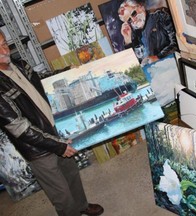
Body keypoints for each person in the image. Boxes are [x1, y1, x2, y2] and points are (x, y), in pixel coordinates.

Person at [0, 31, 104, 216]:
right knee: (61, 195)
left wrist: (66, 72)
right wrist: (57, 145)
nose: (4, 50)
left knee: (72, 175)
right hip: (39, 149)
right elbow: (20, 128)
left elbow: (44, 80)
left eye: (4, 43)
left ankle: (82, 205)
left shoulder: (19, 64)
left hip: (57, 133)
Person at [118, 0, 178, 66]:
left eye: (133, 13)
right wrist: (127, 40)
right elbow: (134, 64)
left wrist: (158, 57)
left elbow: (177, 43)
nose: (133, 20)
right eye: (129, 20)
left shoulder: (161, 16)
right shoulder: (134, 33)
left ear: (141, 7)